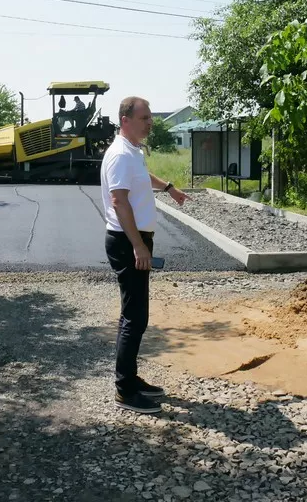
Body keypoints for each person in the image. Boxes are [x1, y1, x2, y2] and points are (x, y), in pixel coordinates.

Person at [101, 95, 188, 414]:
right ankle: (124, 389)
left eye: (150, 117)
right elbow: (119, 201)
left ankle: (131, 379)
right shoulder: (121, 155)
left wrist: (169, 188)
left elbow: (142, 177)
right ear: (126, 120)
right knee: (134, 317)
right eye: (145, 118)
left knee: (136, 315)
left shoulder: (132, 152)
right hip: (127, 242)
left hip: (132, 240)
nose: (150, 122)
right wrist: (138, 246)